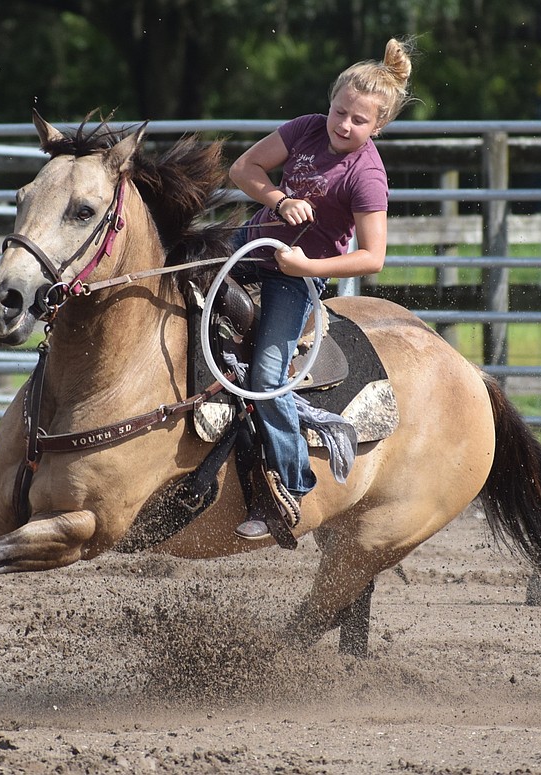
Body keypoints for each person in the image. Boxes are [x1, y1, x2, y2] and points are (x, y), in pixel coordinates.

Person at [227, 38, 414, 539]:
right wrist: (279, 198)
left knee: (268, 378)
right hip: (248, 245)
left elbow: (372, 256)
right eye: (339, 111)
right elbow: (242, 168)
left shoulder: (367, 175)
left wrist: (306, 266)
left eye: (358, 120)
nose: (343, 125)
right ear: (329, 104)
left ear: (378, 126)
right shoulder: (306, 129)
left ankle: (290, 486)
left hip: (294, 277)